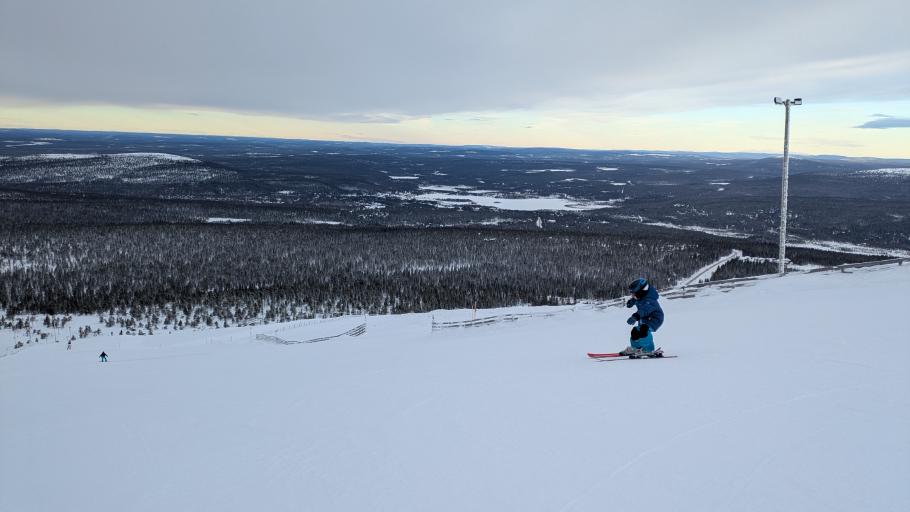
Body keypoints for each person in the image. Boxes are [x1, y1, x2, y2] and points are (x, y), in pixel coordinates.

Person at [620, 278, 664, 356]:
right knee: (635, 331)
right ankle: (636, 348)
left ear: (641, 292)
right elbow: (636, 300)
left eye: (634, 293)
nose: (633, 295)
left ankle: (649, 349)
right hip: (644, 318)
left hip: (654, 319)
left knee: (644, 330)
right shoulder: (640, 296)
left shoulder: (650, 300)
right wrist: (631, 302)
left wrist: (635, 316)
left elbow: (644, 310)